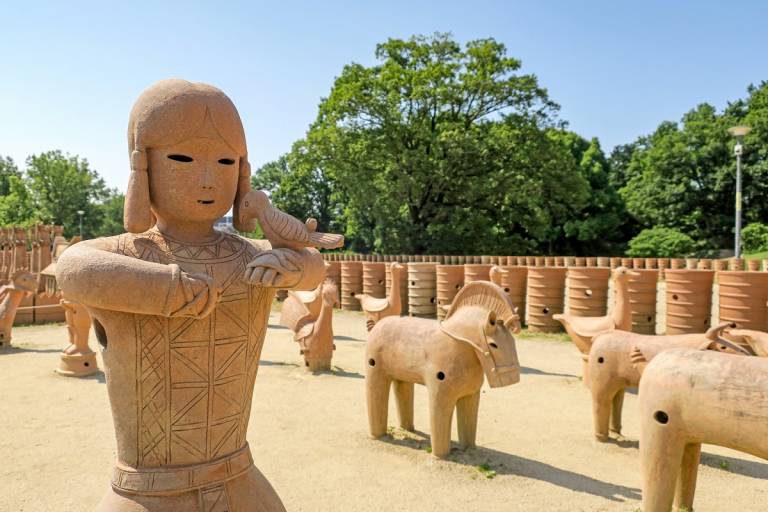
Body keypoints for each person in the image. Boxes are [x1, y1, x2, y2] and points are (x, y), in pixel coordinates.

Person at [57, 79, 325, 511]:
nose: (207, 179)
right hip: (147, 491)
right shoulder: (129, 254)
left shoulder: (246, 256)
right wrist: (168, 288)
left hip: (239, 476)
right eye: (182, 158)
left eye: (224, 161)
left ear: (242, 171)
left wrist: (297, 266)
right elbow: (74, 268)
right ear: (142, 165)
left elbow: (314, 268)